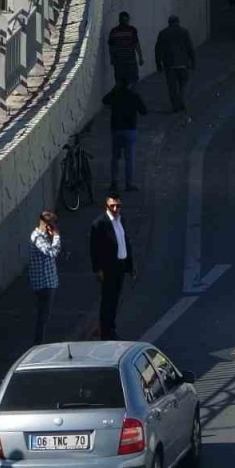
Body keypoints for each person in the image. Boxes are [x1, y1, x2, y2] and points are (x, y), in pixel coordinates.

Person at [90, 193, 134, 340]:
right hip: (108, 269)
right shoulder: (100, 224)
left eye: (118, 206)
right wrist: (98, 269)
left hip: (120, 266)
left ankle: (111, 328)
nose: (115, 209)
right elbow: (94, 249)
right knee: (107, 301)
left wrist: (130, 266)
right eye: (112, 206)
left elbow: (125, 243)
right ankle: (105, 332)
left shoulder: (121, 220)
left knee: (115, 300)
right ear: (106, 206)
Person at [101, 77, 148, 193]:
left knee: (115, 158)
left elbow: (104, 100)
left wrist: (113, 90)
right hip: (130, 129)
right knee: (129, 159)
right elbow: (144, 111)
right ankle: (129, 184)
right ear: (130, 84)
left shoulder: (116, 94)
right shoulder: (134, 95)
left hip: (116, 129)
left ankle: (114, 182)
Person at [27, 211, 61, 345]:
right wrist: (56, 237)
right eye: (53, 226)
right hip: (44, 284)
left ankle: (39, 342)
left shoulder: (44, 236)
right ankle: (38, 344)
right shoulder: (37, 238)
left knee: (44, 316)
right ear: (47, 226)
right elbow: (52, 252)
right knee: (43, 316)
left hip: (49, 282)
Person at [155, 15, 196, 112]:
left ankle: (175, 105)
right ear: (178, 22)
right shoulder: (184, 32)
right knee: (183, 85)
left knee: (172, 87)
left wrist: (158, 64)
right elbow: (190, 48)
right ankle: (181, 101)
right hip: (183, 64)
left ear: (169, 22)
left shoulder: (163, 33)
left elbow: (158, 51)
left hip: (169, 65)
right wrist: (193, 61)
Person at [107, 12, 143, 86]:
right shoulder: (132, 30)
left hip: (119, 62)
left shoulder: (114, 31)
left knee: (120, 83)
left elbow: (111, 47)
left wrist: (112, 58)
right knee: (133, 82)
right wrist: (140, 57)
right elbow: (136, 44)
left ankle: (123, 96)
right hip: (130, 61)